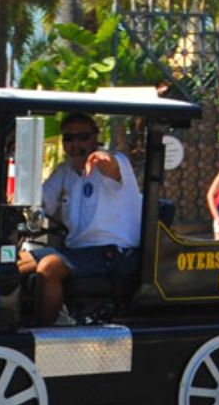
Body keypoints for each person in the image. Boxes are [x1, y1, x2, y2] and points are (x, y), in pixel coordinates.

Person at [16, 112, 144, 324]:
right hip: (78, 251)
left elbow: (112, 167)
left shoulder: (116, 162)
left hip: (113, 253)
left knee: (49, 267)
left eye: (83, 137)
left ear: (95, 137)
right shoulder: (65, 171)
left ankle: (42, 332)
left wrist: (103, 159)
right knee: (15, 262)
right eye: (69, 138)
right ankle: (11, 322)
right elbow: (40, 202)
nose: (76, 144)